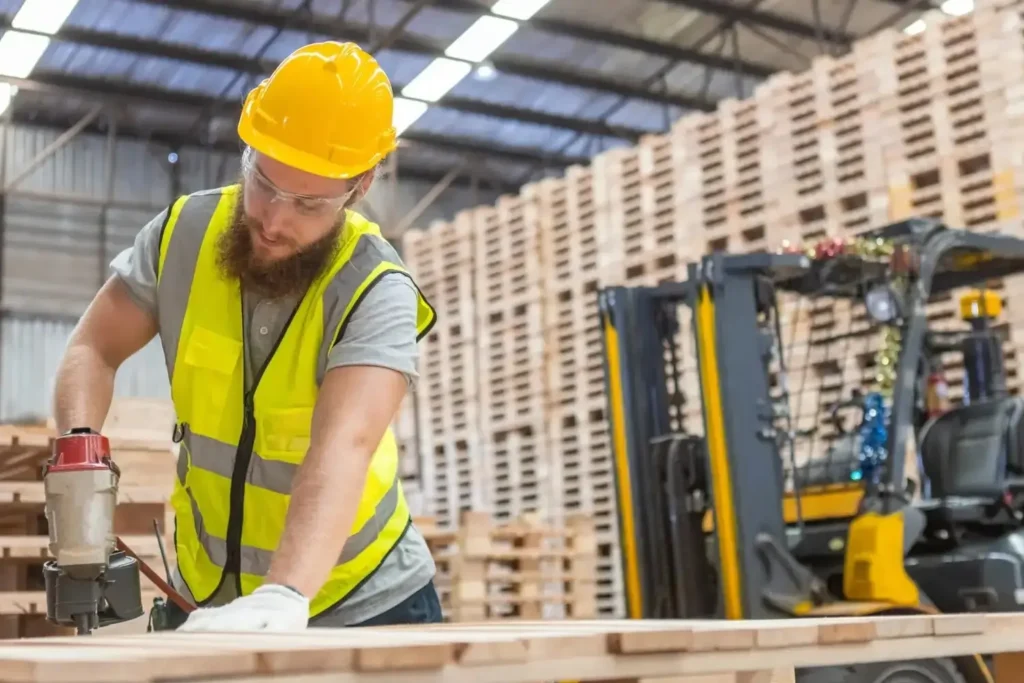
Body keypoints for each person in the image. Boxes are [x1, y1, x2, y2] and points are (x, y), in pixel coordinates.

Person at [50, 41, 442, 632]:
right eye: (264, 182)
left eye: (308, 203)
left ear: (359, 186)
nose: (274, 218)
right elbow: (93, 348)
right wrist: (80, 449)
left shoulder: (375, 288)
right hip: (207, 594)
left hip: (359, 600)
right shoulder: (182, 236)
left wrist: (284, 595)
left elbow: (345, 446)